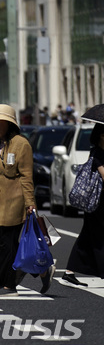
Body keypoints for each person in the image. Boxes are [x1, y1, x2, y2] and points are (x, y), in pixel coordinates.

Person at [0, 104, 54, 296]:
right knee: (6, 244)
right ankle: (41, 270)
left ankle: (9, 286)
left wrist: (30, 204)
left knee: (8, 244)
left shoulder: (21, 144)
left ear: (9, 123)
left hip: (16, 204)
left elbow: (26, 178)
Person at [60, 123, 104, 288]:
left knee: (87, 236)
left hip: (98, 202)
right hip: (98, 203)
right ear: (101, 136)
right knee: (97, 237)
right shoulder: (98, 153)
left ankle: (69, 272)